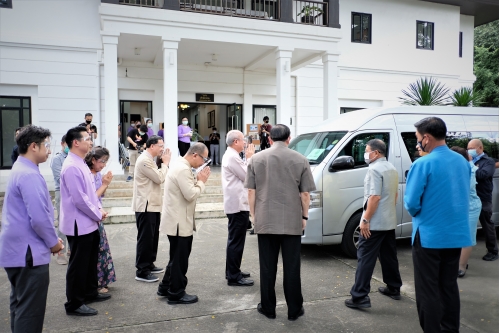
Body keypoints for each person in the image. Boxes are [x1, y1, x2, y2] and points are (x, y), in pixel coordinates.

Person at [404, 117, 471, 333]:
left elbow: (412, 203)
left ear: (426, 138)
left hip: (429, 235)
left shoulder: (423, 163)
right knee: (448, 285)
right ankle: (450, 329)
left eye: (417, 138)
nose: (418, 142)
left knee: (427, 289)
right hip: (456, 234)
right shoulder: (462, 161)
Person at [245, 124, 316, 321]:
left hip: (265, 219)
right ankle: (294, 309)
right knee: (292, 267)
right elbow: (305, 194)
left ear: (269, 139)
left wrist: (253, 215)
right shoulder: (300, 159)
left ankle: (268, 308)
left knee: (267, 267)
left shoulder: (256, 159)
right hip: (291, 219)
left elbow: (251, 191)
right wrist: (304, 216)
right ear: (289, 138)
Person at [0, 125, 64, 333]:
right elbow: (39, 218)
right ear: (33, 146)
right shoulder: (29, 174)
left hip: (17, 251)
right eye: (46, 144)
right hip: (28, 253)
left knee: (20, 306)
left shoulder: (21, 168)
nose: (49, 149)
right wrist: (54, 243)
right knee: (30, 312)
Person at [345, 139, 402, 309]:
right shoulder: (391, 168)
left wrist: (365, 220)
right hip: (388, 220)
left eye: (367, 150)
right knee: (389, 256)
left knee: (365, 258)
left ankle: (360, 296)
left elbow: (374, 197)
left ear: (376, 153)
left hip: (374, 223)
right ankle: (394, 287)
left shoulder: (373, 170)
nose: (366, 153)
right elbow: (395, 195)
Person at [59, 126, 110, 316]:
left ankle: (90, 291)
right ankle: (74, 303)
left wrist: (98, 210)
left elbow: (90, 195)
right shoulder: (72, 166)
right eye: (87, 138)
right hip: (79, 223)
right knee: (78, 265)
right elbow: (79, 199)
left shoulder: (79, 162)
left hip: (88, 221)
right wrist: (97, 214)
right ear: (76, 142)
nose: (91, 141)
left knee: (89, 261)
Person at [157, 143, 211, 304]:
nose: (203, 163)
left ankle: (165, 286)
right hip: (178, 221)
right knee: (180, 259)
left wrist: (199, 180)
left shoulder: (182, 166)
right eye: (203, 158)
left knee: (176, 257)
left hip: (178, 219)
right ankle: (176, 293)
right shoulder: (182, 168)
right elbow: (190, 194)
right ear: (195, 155)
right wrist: (202, 181)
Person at [132, 135, 171, 282]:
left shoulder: (150, 159)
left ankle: (149, 263)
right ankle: (142, 270)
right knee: (145, 238)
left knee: (153, 237)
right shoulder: (144, 160)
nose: (162, 148)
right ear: (151, 146)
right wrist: (165, 164)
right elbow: (159, 178)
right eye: (160, 146)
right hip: (145, 205)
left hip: (153, 204)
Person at [222, 130, 255, 287]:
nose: (245, 143)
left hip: (237, 204)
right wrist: (249, 158)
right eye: (243, 140)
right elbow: (247, 176)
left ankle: (233, 271)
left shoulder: (232, 155)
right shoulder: (232, 156)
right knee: (236, 241)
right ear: (236, 141)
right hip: (237, 205)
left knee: (235, 240)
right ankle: (233, 276)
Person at [85, 147, 116, 292]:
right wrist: (104, 184)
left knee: (102, 249)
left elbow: (99, 197)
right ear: (93, 160)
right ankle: (96, 283)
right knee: (95, 252)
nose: (103, 165)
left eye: (105, 162)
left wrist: (105, 183)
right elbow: (91, 198)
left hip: (98, 213)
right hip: (89, 216)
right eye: (102, 161)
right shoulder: (87, 174)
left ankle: (102, 281)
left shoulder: (97, 174)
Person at [450, 146, 482, 277]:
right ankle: (458, 262)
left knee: (467, 237)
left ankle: (462, 266)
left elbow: (463, 189)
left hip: (471, 207)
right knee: (456, 236)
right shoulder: (453, 169)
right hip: (457, 208)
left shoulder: (470, 170)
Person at [467, 139, 498, 261]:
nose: (469, 151)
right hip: (470, 197)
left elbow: (483, 175)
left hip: (483, 197)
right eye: (468, 148)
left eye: (472, 148)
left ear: (480, 148)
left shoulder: (488, 161)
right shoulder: (470, 160)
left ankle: (493, 251)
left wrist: (470, 164)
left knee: (486, 224)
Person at [51, 134, 70, 265]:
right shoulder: (57, 159)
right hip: (62, 192)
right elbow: (60, 178)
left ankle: (71, 249)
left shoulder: (76, 158)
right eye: (67, 144)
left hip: (74, 192)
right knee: (63, 220)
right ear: (62, 144)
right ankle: (60, 252)